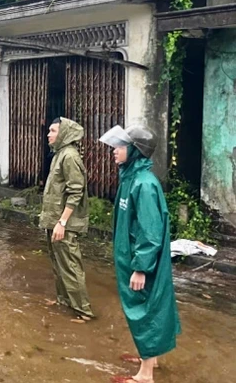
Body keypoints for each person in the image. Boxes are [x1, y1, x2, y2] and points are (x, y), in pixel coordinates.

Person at [99, 124, 181, 383]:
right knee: (144, 309)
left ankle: (145, 376)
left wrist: (141, 268)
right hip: (131, 258)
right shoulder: (131, 178)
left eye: (121, 147)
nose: (115, 151)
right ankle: (150, 357)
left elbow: (150, 231)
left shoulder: (144, 185)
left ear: (135, 151)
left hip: (140, 262)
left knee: (144, 310)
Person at [39, 117, 95, 321]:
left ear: (63, 133)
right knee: (58, 262)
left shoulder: (69, 156)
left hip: (64, 224)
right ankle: (64, 300)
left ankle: (84, 311)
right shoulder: (59, 154)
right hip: (54, 221)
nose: (49, 134)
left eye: (53, 131)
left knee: (70, 266)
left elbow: (75, 191)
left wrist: (62, 222)